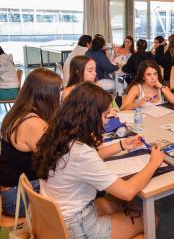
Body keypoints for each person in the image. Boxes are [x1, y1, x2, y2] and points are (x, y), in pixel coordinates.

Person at [33, 82, 164, 239]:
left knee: (117, 203)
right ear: (90, 116)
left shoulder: (59, 134)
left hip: (55, 218)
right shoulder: (81, 152)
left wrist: (122, 145)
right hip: (77, 227)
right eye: (104, 115)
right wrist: (153, 164)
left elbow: (87, 158)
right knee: (150, 218)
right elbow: (127, 192)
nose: (107, 121)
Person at [0, 68, 62, 216]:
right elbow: (55, 160)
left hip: (13, 189)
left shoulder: (19, 113)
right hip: (18, 197)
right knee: (85, 190)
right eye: (59, 91)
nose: (61, 95)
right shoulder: (34, 124)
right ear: (47, 95)